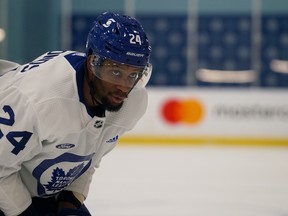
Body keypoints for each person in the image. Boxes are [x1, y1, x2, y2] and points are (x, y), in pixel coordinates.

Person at [0, 11, 152, 216]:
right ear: (92, 63)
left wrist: (70, 201)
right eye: (115, 72)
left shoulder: (133, 102)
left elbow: (88, 156)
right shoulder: (40, 99)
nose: (123, 87)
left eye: (133, 74)